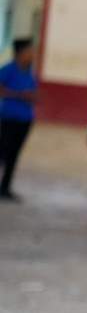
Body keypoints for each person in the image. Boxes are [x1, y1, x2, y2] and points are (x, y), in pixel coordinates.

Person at [0, 38, 37, 202]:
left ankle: (5, 187)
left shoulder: (29, 72)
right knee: (3, 152)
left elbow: (33, 91)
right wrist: (18, 95)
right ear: (20, 53)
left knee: (14, 154)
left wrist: (32, 97)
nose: (32, 54)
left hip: (25, 119)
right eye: (29, 51)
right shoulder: (8, 69)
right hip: (9, 118)